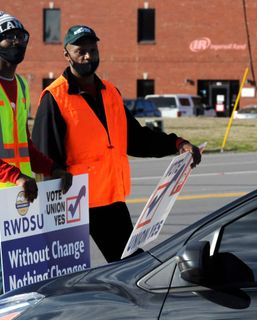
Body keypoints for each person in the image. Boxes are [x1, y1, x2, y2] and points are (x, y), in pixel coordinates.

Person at [32, 25, 202, 263]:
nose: (88, 56)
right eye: (80, 50)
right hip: (71, 203)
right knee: (64, 274)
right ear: (66, 54)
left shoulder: (110, 93)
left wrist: (176, 143)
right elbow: (44, 155)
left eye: (93, 50)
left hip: (110, 201)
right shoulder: (55, 97)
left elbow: (136, 139)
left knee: (130, 265)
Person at [0, 11, 72, 202]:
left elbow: (26, 147)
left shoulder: (22, 86)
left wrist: (53, 169)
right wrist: (16, 176)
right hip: (13, 186)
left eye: (21, 37)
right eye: (8, 37)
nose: (17, 42)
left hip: (17, 198)